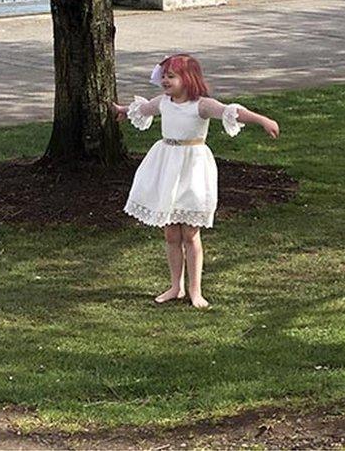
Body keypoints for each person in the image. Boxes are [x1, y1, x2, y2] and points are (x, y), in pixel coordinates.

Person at [114, 54, 279, 308]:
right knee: (170, 232)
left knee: (190, 233)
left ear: (187, 79)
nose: (165, 81)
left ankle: (195, 290)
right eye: (165, 76)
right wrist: (123, 111)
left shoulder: (200, 105)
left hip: (192, 169)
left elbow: (232, 112)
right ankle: (175, 286)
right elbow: (143, 109)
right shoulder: (164, 103)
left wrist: (262, 120)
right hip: (167, 166)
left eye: (172, 76)